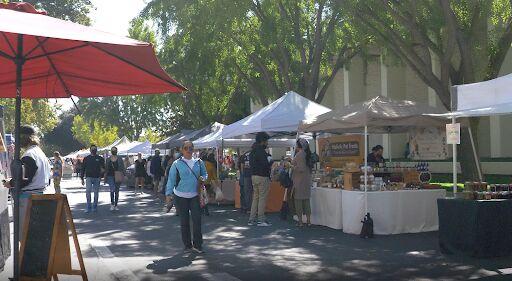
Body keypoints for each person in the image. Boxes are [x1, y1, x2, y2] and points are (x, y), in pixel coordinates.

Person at [3, 125, 50, 230]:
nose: (16, 141)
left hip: (28, 200)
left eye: (17, 138)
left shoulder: (29, 155)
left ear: (24, 138)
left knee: (25, 235)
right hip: (39, 197)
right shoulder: (40, 153)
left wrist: (10, 183)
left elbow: (24, 179)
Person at [166, 141, 207, 254]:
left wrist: (203, 178)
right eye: (186, 148)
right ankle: (187, 245)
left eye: (191, 147)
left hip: (195, 195)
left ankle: (198, 245)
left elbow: (205, 174)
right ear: (182, 150)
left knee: (197, 220)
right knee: (184, 222)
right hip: (180, 196)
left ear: (193, 149)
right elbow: (171, 180)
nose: (189, 150)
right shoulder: (176, 164)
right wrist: (168, 194)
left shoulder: (199, 162)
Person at [248, 132, 272, 227]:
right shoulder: (261, 152)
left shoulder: (252, 151)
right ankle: (261, 219)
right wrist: (270, 162)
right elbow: (265, 164)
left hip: (253, 176)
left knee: (255, 198)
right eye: (266, 141)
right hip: (262, 176)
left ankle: (251, 219)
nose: (267, 143)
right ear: (263, 141)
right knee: (262, 198)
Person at [292, 138, 313, 227]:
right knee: (306, 201)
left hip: (299, 181)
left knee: (298, 202)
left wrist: (291, 166)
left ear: (299, 146)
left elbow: (300, 168)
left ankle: (300, 222)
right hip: (307, 180)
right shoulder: (308, 154)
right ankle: (308, 221)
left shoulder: (299, 155)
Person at [81, 144, 105, 213]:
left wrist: (102, 175)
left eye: (95, 149)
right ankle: (88, 207)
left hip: (97, 177)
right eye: (92, 149)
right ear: (90, 150)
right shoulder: (86, 158)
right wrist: (82, 178)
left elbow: (103, 168)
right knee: (88, 191)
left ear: (96, 150)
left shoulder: (100, 158)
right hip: (88, 177)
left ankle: (95, 206)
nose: (93, 150)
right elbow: (83, 168)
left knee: (96, 192)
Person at [105, 146, 125, 211]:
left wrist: (124, 175)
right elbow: (106, 168)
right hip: (110, 176)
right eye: (112, 150)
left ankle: (116, 205)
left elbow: (122, 167)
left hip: (118, 175)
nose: (113, 151)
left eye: (114, 150)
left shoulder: (119, 158)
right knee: (112, 189)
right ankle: (112, 204)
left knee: (116, 190)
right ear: (111, 151)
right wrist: (105, 176)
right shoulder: (108, 159)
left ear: (116, 151)